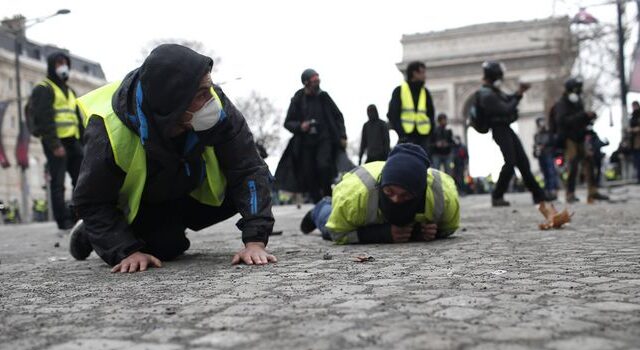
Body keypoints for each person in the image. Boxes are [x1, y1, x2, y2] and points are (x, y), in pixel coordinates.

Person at [69, 44, 276, 273]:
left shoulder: (216, 106)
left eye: (209, 88)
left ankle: (156, 230)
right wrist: (125, 251)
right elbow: (91, 200)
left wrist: (255, 241)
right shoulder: (108, 130)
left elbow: (248, 168)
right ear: (173, 105)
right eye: (201, 94)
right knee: (165, 248)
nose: (212, 100)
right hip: (143, 202)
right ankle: (94, 232)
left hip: (186, 188)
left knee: (260, 179)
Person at [300, 143, 459, 244]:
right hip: (350, 198)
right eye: (389, 192)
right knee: (328, 225)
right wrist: (381, 234)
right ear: (381, 184)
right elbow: (337, 232)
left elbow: (451, 227)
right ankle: (319, 208)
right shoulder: (353, 197)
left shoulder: (444, 196)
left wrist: (435, 231)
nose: (396, 200)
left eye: (405, 196)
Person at [476, 61, 547, 207]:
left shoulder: (492, 91)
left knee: (523, 162)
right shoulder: (486, 94)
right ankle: (497, 195)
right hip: (499, 130)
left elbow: (508, 99)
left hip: (506, 129)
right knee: (510, 161)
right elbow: (506, 109)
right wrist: (519, 94)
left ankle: (539, 195)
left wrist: (518, 93)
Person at [29, 52, 84, 231]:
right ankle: (63, 221)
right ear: (52, 65)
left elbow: (77, 118)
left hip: (73, 141)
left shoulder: (70, 91)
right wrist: (54, 144)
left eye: (65, 63)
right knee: (58, 183)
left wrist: (85, 142)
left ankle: (79, 215)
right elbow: (44, 118)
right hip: (56, 142)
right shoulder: (43, 88)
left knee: (82, 179)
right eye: (59, 63)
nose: (63, 66)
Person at [275, 69, 347, 203]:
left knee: (323, 166)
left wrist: (342, 136)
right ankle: (318, 203)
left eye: (318, 79)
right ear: (306, 83)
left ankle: (328, 197)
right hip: (305, 143)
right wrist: (300, 126)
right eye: (314, 80)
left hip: (324, 139)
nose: (317, 82)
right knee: (308, 174)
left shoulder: (324, 97)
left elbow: (338, 116)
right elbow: (288, 122)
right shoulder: (298, 99)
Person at [553, 77, 608, 203]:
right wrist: (583, 115)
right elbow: (562, 121)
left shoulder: (578, 102)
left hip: (580, 136)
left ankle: (593, 191)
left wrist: (589, 117)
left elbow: (580, 119)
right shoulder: (562, 103)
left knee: (589, 161)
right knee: (573, 164)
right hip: (569, 138)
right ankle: (570, 193)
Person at [387, 61, 436, 153]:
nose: (425, 76)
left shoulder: (425, 92)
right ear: (414, 73)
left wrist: (430, 134)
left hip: (423, 137)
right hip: (406, 137)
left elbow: (431, 114)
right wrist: (401, 134)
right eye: (422, 72)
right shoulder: (399, 91)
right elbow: (392, 114)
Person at [533, 117, 560, 201]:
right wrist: (535, 152)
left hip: (548, 154)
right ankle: (547, 191)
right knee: (545, 173)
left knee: (551, 172)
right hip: (541, 156)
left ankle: (552, 190)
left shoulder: (549, 133)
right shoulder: (537, 135)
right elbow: (535, 146)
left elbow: (553, 142)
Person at [628, 101, 640, 183]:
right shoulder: (632, 116)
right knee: (636, 161)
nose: (634, 108)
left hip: (638, 140)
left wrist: (633, 129)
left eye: (635, 106)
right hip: (633, 142)